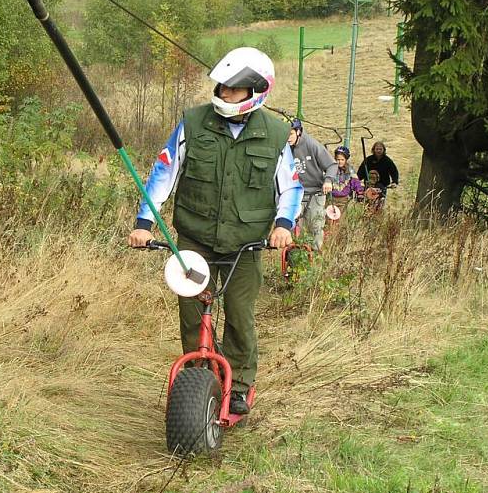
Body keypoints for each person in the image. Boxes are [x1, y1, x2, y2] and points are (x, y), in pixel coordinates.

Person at [128, 47, 303, 415]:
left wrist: (283, 226)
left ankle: (238, 384)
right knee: (193, 314)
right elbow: (164, 173)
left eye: (233, 90)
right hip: (195, 239)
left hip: (247, 243)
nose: (225, 94)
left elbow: (291, 187)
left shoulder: (275, 134)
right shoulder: (193, 123)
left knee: (239, 315)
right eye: (222, 87)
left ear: (256, 90)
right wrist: (144, 223)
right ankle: (196, 380)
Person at [288, 118, 337, 250]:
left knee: (315, 226)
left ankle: (315, 255)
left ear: (298, 132)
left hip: (315, 192)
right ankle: (296, 257)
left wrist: (328, 181)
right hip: (295, 193)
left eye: (291, 134)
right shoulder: (284, 147)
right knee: (294, 227)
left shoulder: (312, 144)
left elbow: (332, 165)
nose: (288, 138)